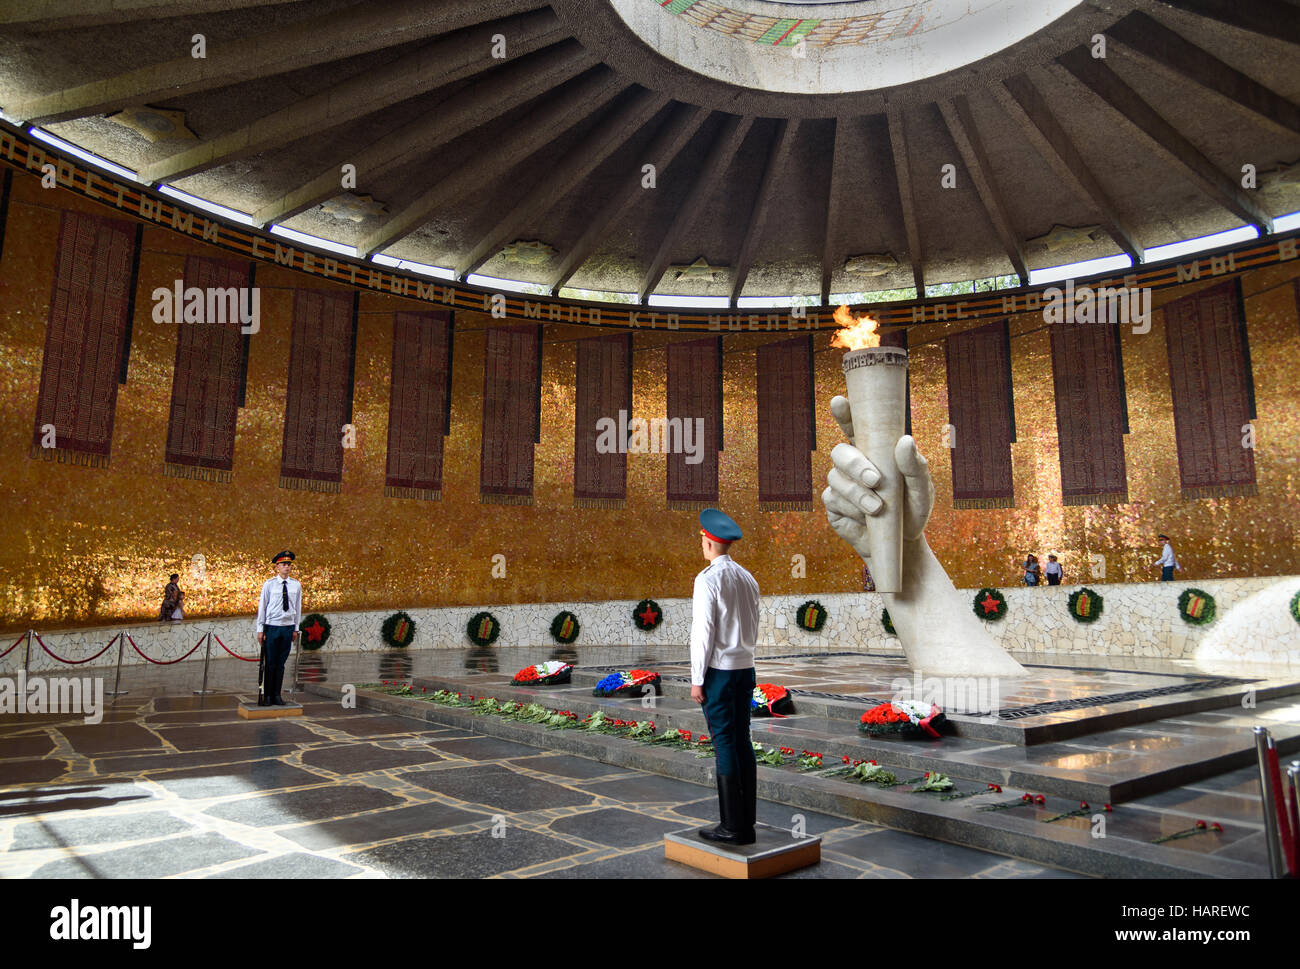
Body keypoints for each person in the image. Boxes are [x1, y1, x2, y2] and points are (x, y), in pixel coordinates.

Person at [690, 508, 760, 846]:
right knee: (742, 740)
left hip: (719, 672)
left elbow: (703, 633)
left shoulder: (707, 580)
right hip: (746, 669)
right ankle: (746, 821)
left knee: (725, 744)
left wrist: (696, 678)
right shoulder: (748, 578)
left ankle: (733, 827)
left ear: (707, 541)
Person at [255, 550, 302, 706]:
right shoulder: (269, 584)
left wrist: (296, 627)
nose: (287, 567)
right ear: (277, 567)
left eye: (289, 564)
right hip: (272, 627)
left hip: (287, 627)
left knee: (281, 664)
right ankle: (267, 695)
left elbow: (297, 607)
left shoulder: (296, 585)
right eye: (283, 564)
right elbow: (263, 606)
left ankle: (276, 695)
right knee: (270, 663)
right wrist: (260, 629)